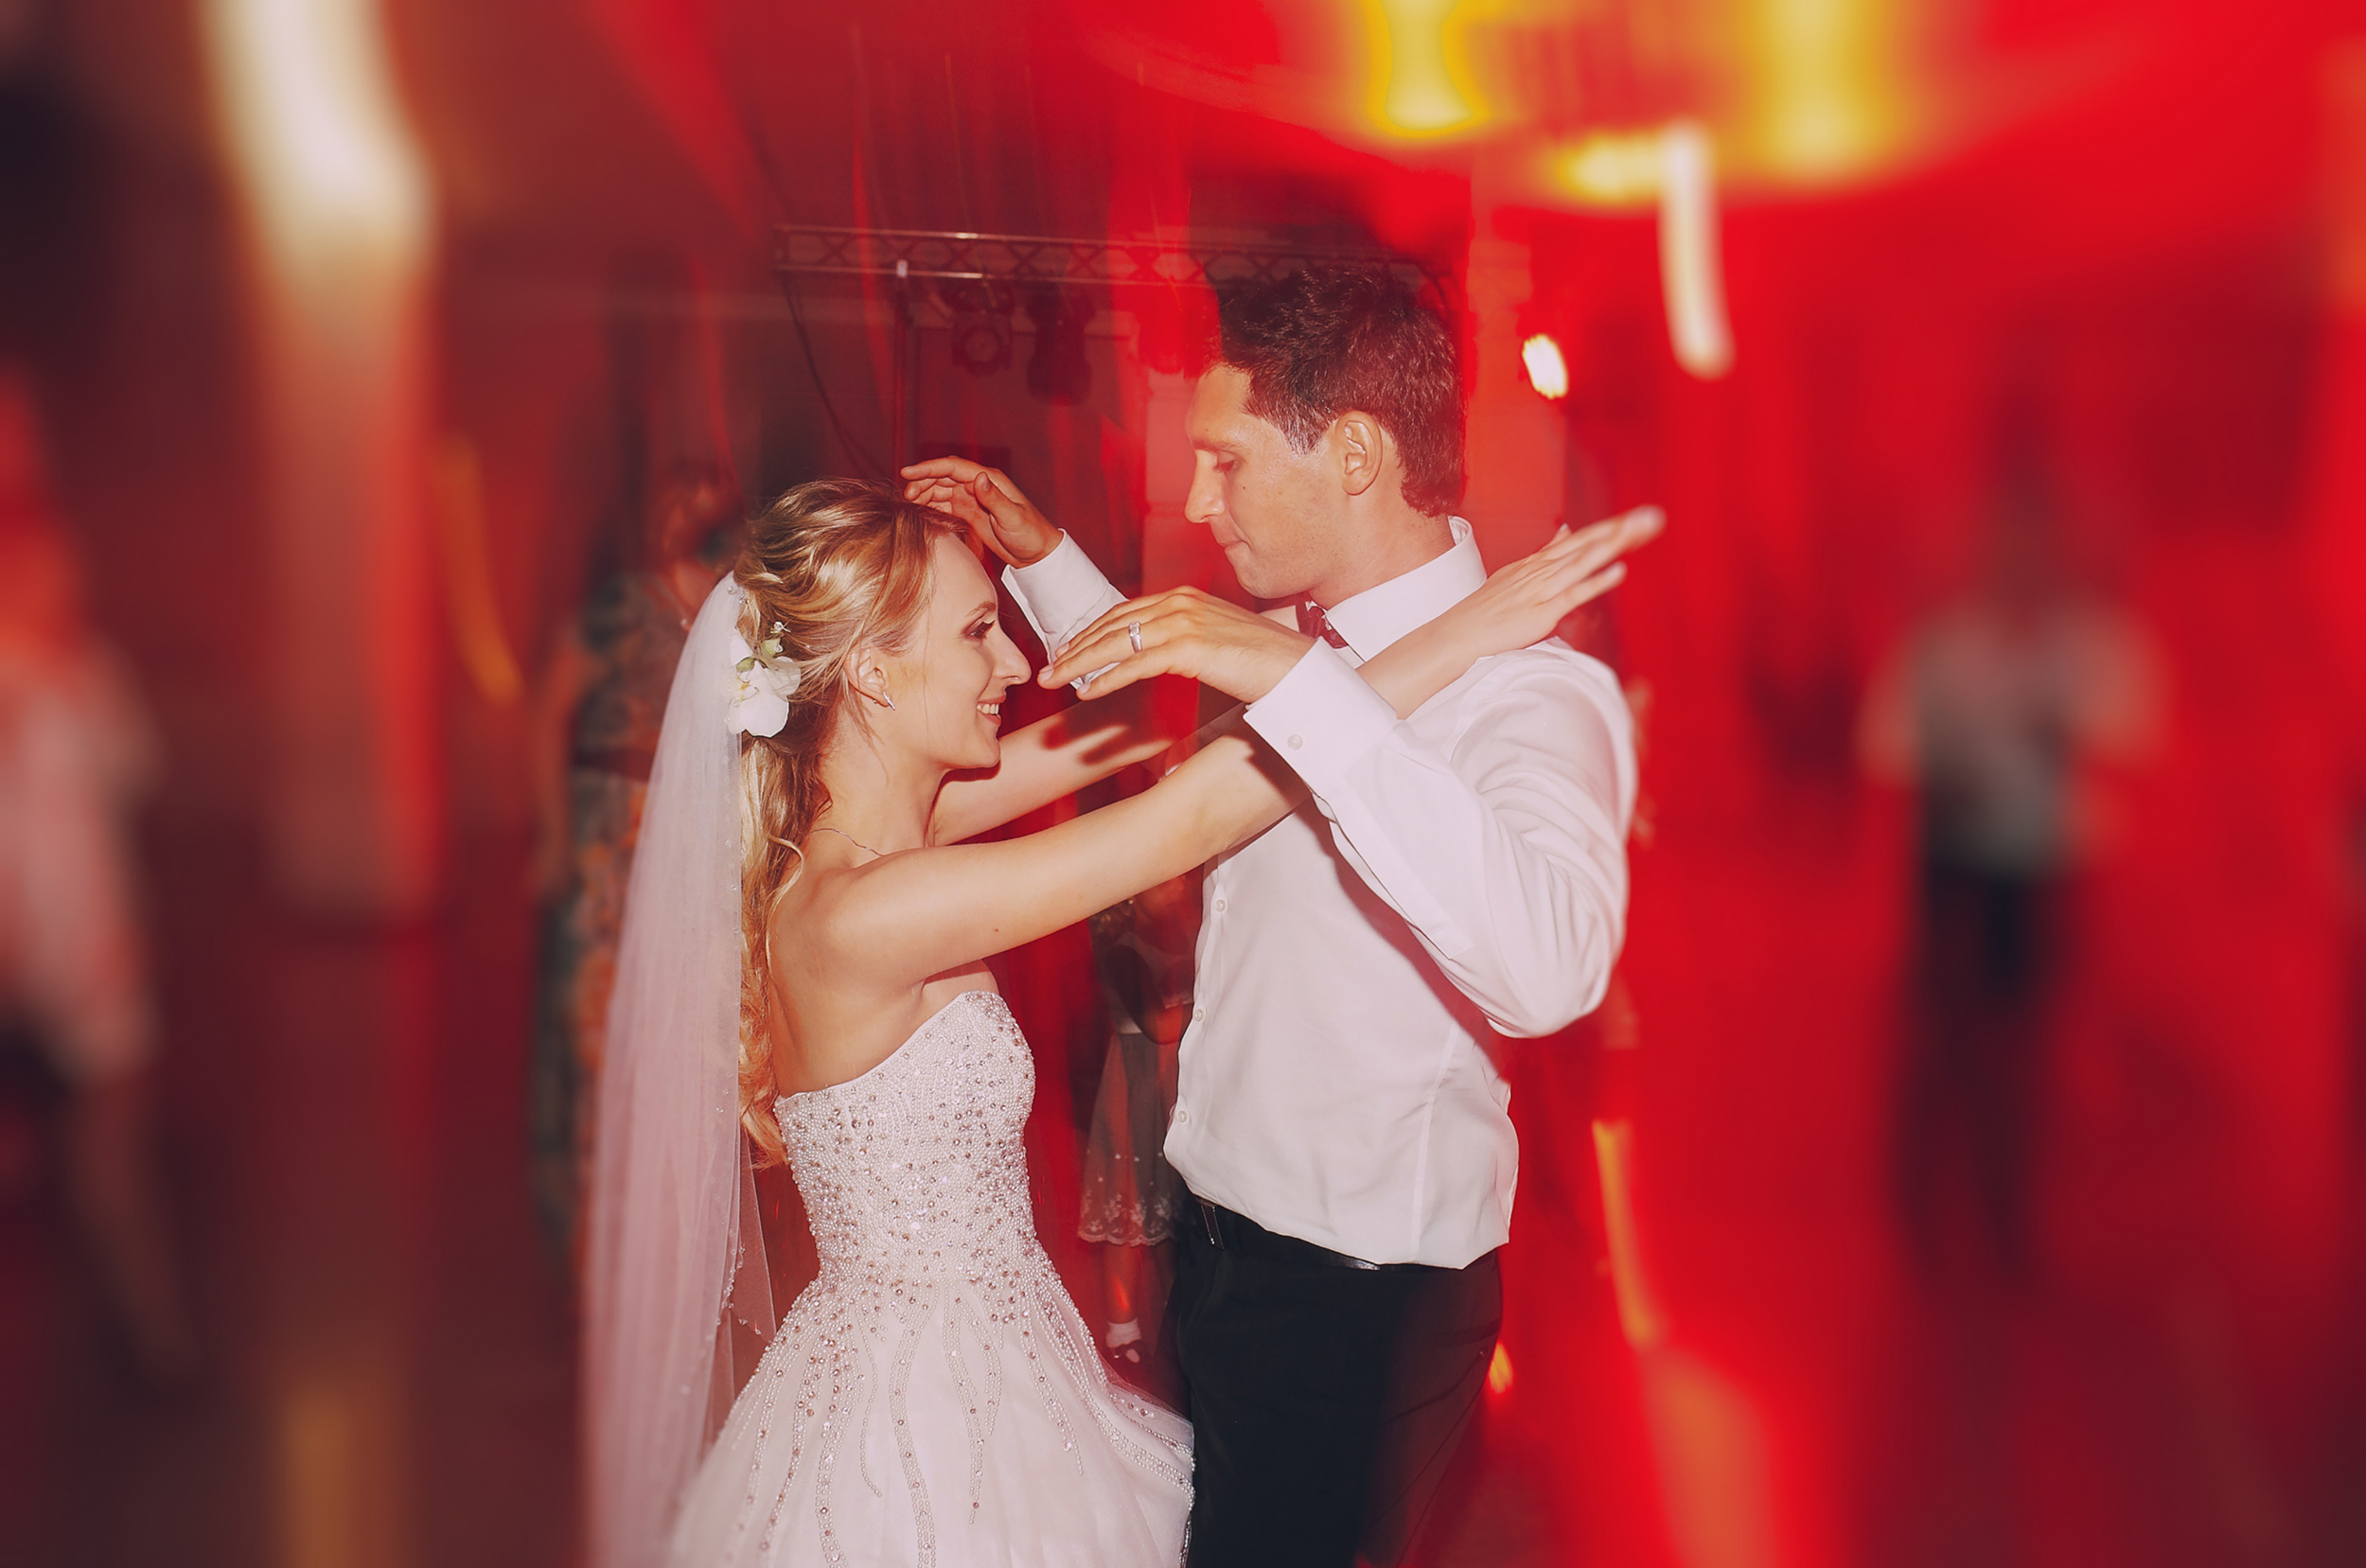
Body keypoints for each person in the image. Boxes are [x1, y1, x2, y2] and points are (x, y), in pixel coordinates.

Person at [583, 476, 1651, 1568]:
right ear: (870, 671)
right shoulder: (871, 911)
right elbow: (1190, 815)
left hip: (994, 1351)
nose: (1012, 664)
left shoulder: (881, 841)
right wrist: (1471, 628)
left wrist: (1051, 557)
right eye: (977, 632)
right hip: (928, 1402)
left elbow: (1153, 739)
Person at [904, 264, 1653, 1566]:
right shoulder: (1299, 652)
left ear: (1354, 455)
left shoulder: (1529, 696)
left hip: (1358, 1306)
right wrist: (1048, 565)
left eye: (1225, 462)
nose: (1198, 501)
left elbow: (1548, 969)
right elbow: (1213, 780)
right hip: (1224, 1243)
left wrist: (1292, 674)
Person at [528, 460, 743, 1267]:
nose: (690, 518)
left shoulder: (737, 610)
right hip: (613, 823)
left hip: (694, 825)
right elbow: (550, 708)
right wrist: (552, 833)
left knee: (688, 1016)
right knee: (597, 1019)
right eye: (678, 501)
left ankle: (670, 1219)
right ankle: (595, 1228)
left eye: (707, 504)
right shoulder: (625, 603)